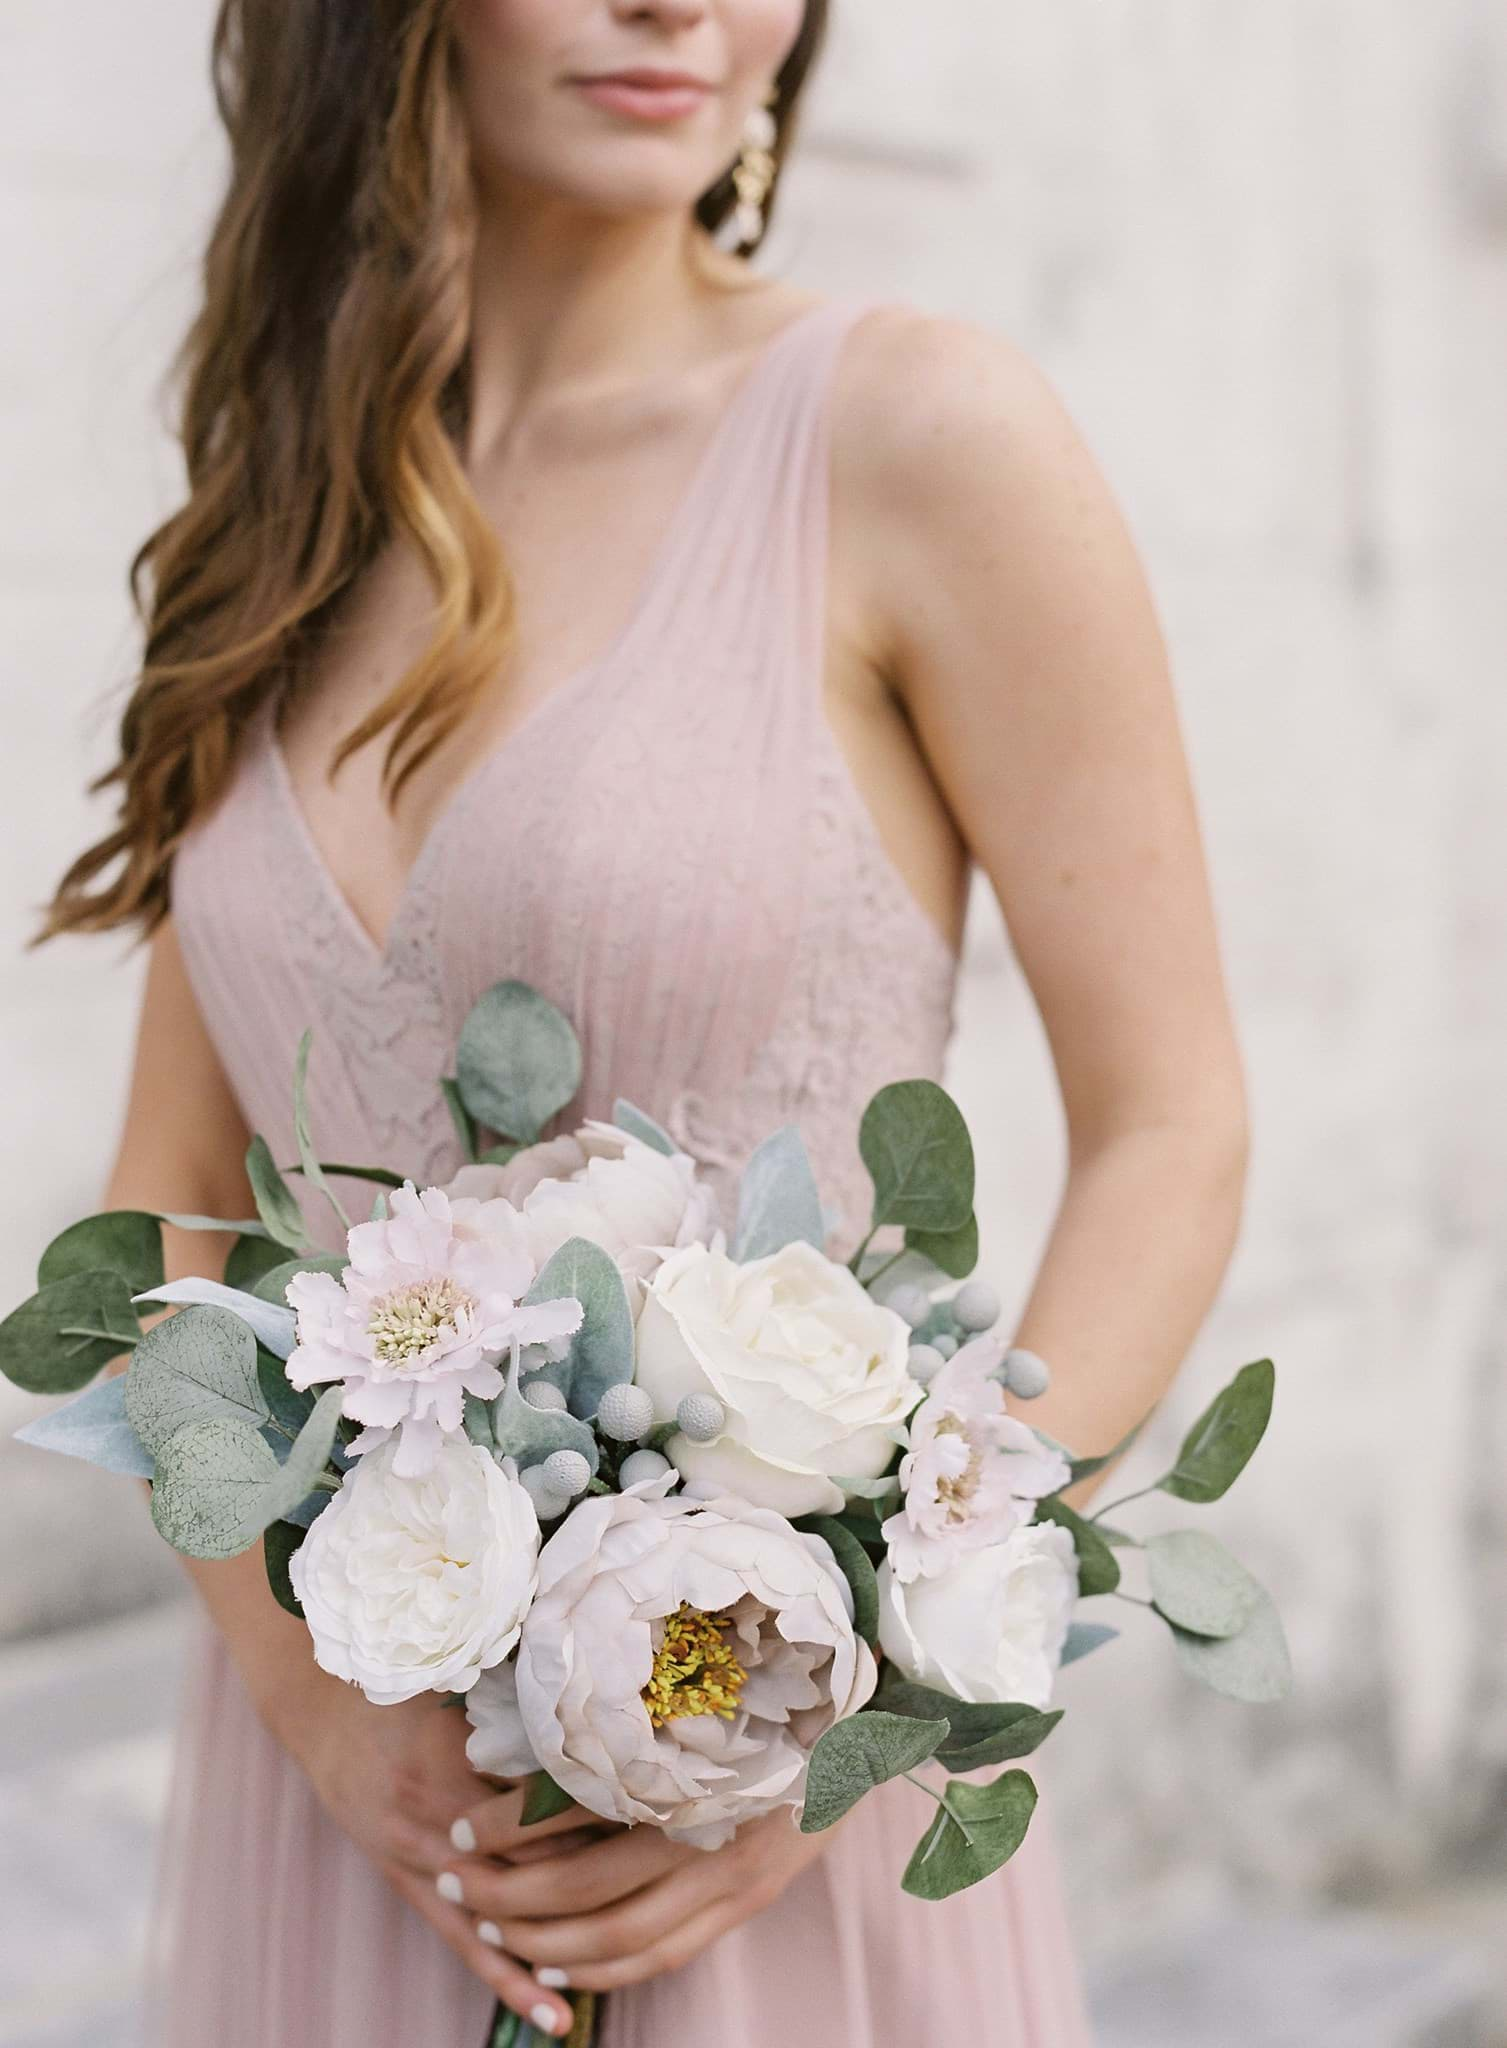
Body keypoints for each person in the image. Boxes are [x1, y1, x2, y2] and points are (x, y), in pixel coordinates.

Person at [35, 1, 1250, 2041]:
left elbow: (1172, 1118)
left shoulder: (924, 438)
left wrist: (872, 1702)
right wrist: (317, 1712)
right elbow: (167, 1202)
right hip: (342, 1820)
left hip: (753, 1814)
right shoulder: (283, 509)